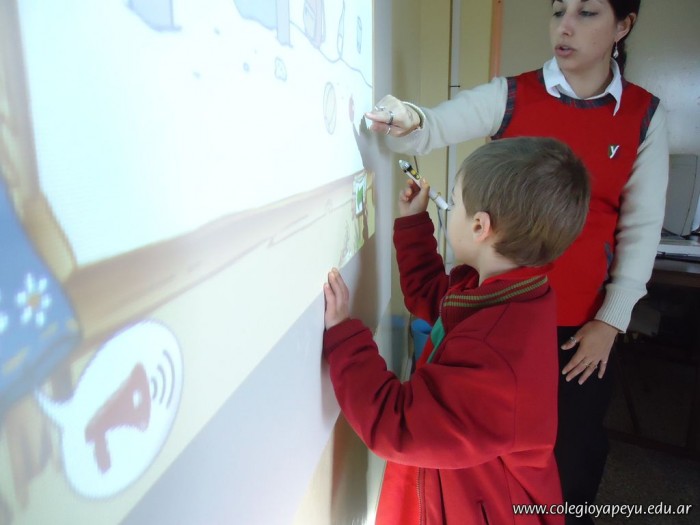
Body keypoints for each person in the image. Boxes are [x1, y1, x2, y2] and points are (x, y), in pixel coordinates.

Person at [364, 1, 669, 522]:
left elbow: (641, 228)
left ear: (624, 25)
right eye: (558, 11)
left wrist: (611, 321)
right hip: (500, 311)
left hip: (580, 329)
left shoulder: (644, 114)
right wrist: (408, 118)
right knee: (481, 469)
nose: (564, 26)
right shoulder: (511, 94)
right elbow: (430, 126)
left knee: (567, 464)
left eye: (587, 13)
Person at [323, 137, 591, 524]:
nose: (448, 209)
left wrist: (344, 337)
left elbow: (398, 425)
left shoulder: (495, 348)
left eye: (453, 203)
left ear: (480, 226)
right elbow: (434, 299)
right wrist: (414, 222)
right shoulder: (508, 292)